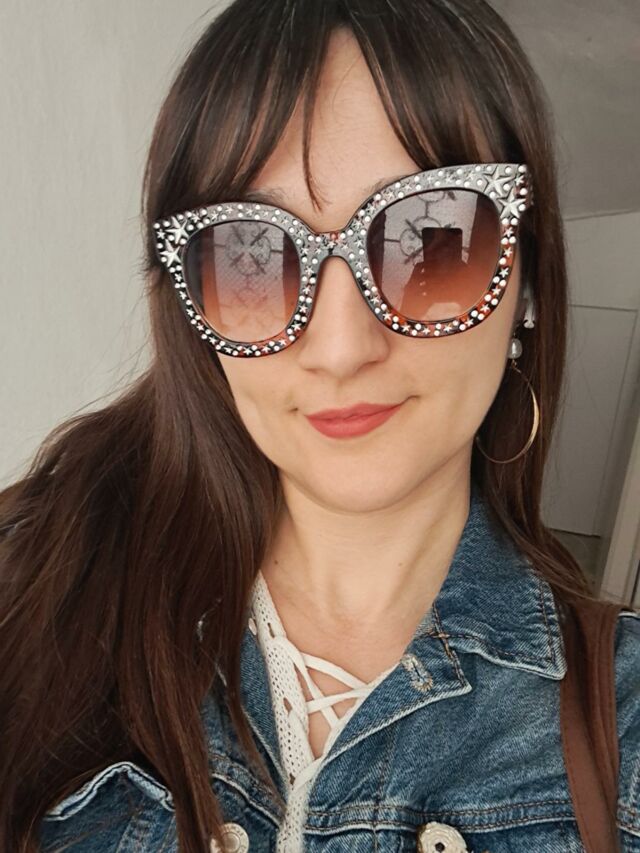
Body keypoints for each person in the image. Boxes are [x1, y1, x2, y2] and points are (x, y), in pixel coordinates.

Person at [1, 1, 638, 851]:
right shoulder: (33, 589)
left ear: (525, 283)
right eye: (251, 252)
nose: (340, 348)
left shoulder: (625, 722)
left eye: (430, 235)